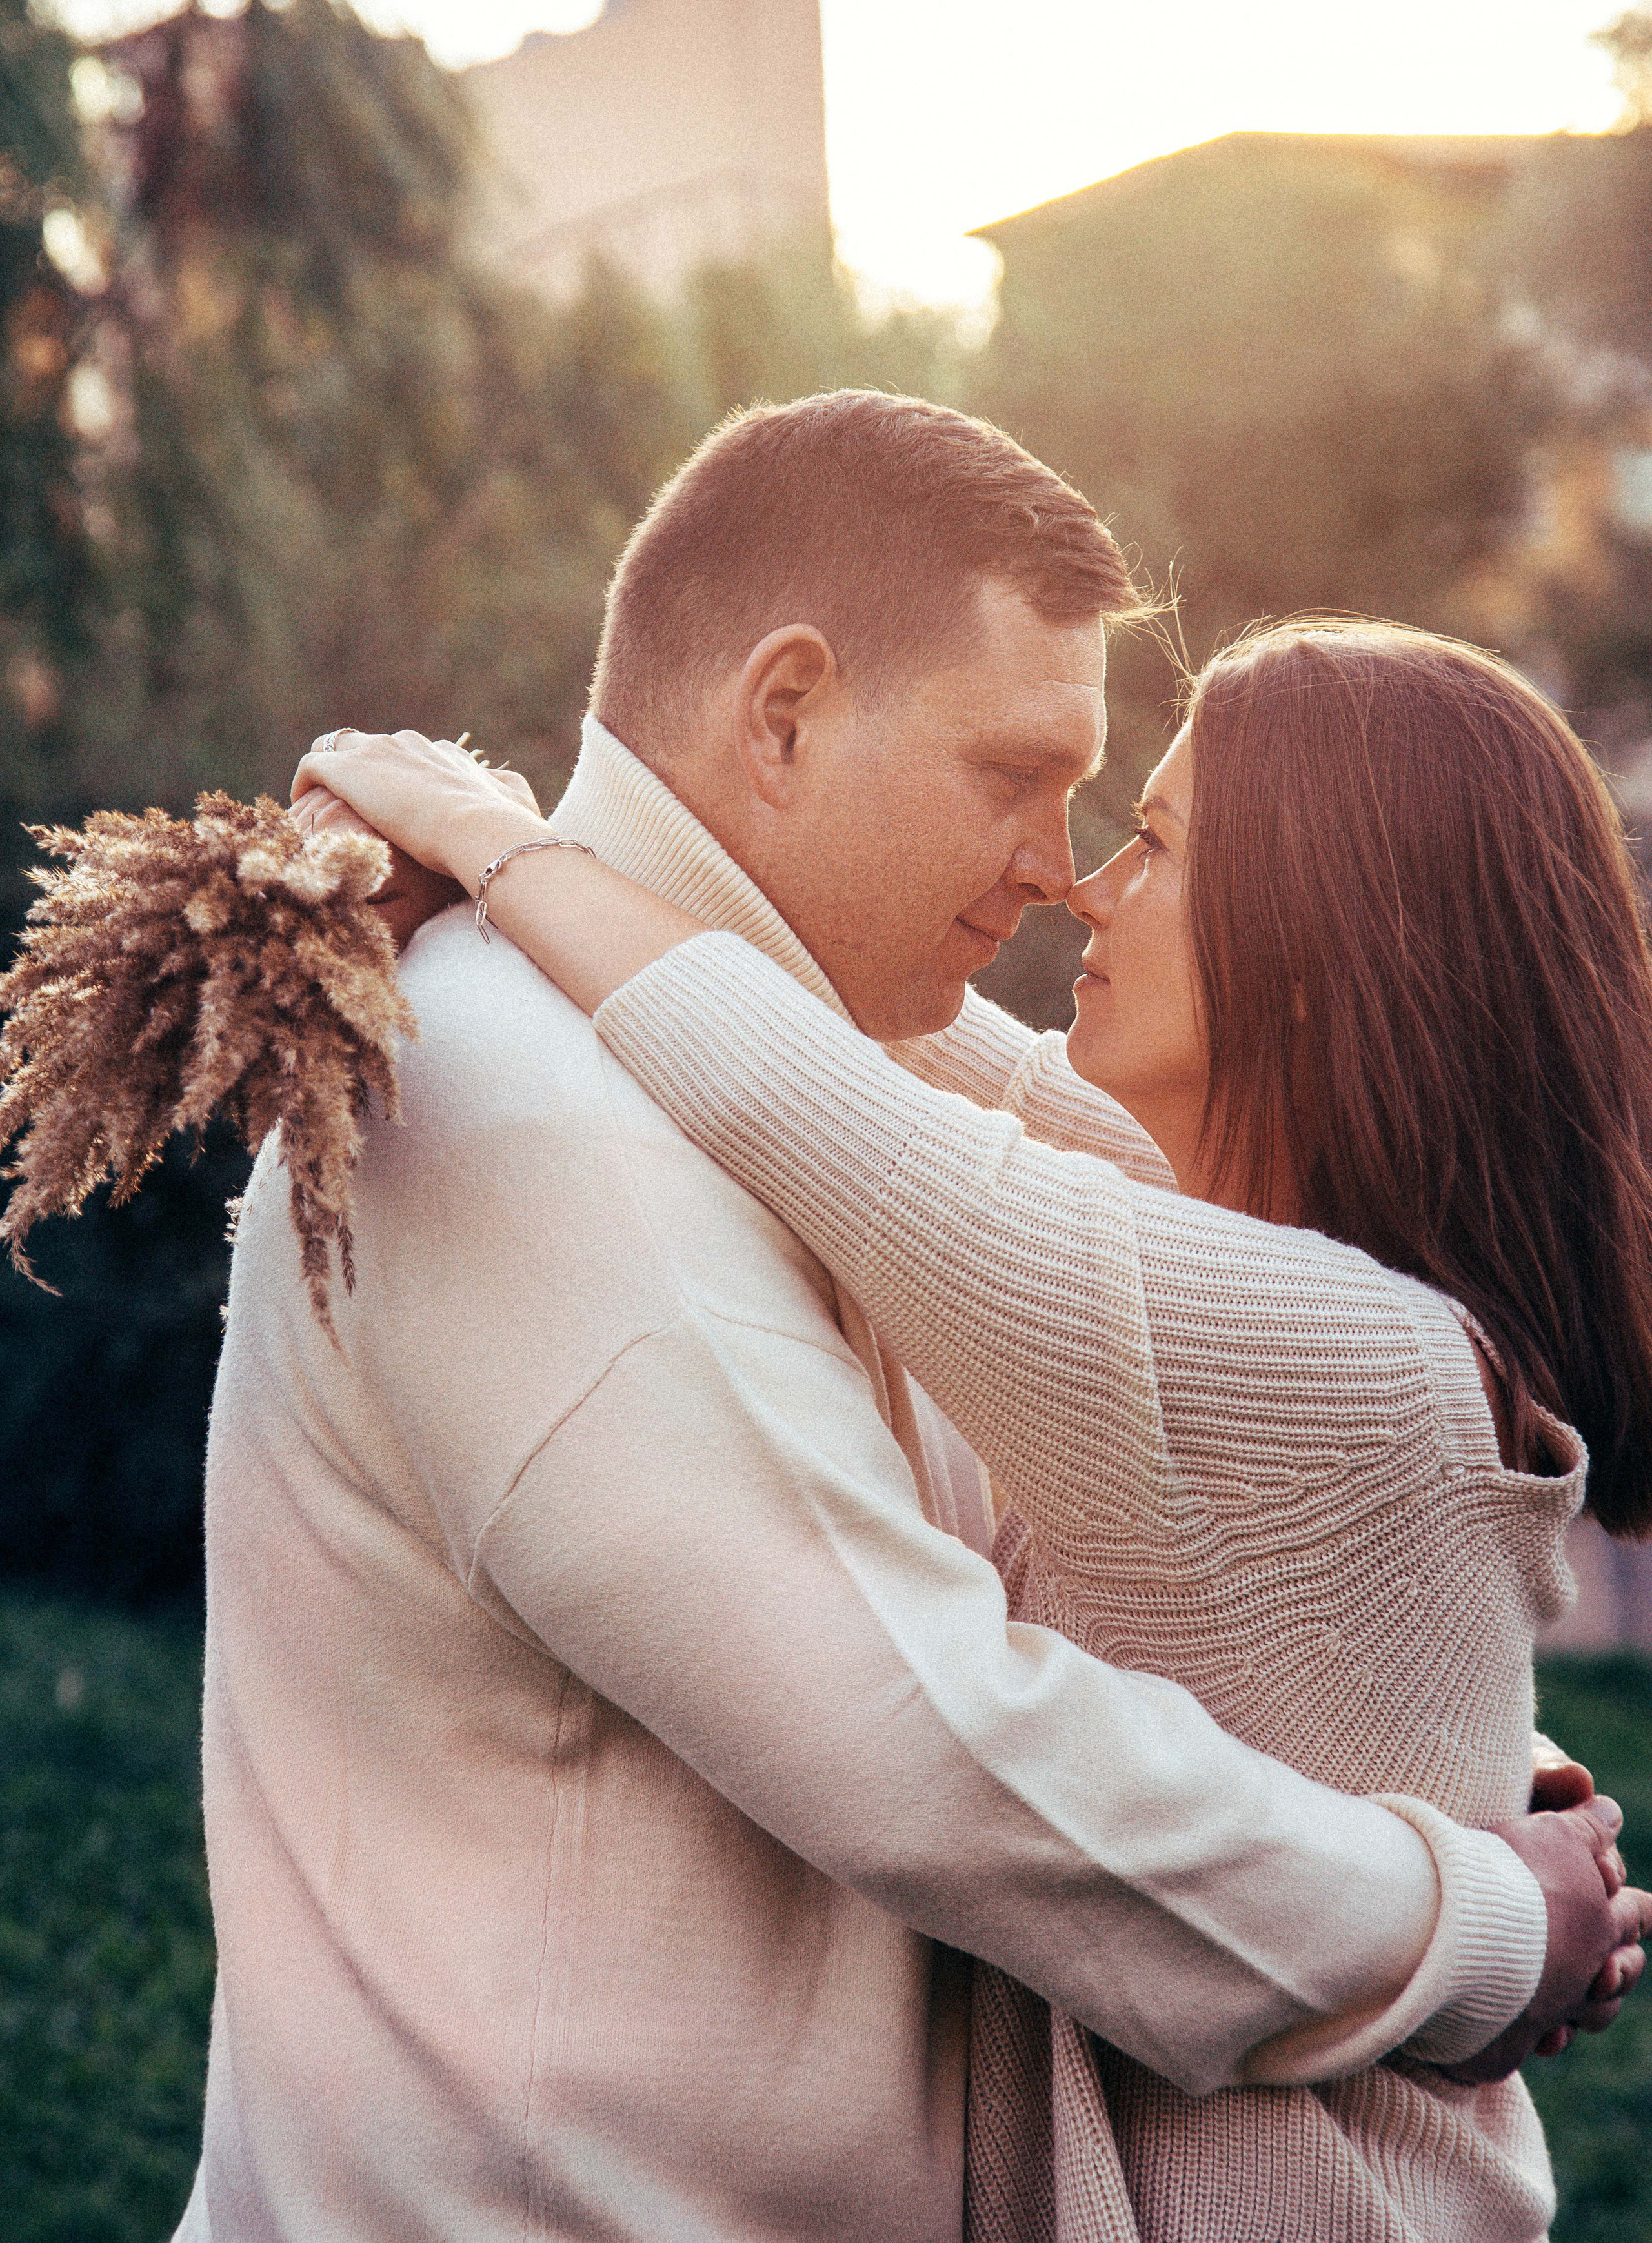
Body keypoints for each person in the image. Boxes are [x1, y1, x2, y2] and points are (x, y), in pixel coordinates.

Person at [214, 397, 1633, 2243]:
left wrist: (1416, 1730)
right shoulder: (532, 1117)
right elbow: (937, 1751)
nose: (1061, 867)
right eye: (1018, 774)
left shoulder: (830, 1080)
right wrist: (1473, 1913)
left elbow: (1114, 1474)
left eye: (1117, 817)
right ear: (786, 713)